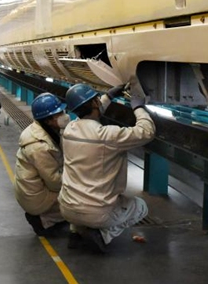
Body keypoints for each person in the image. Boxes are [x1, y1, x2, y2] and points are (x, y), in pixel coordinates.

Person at [58, 77, 155, 253]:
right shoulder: (108, 136)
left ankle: (76, 232)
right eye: (97, 99)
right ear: (95, 103)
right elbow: (146, 132)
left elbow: (90, 112)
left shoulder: (68, 130)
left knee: (80, 197)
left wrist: (108, 96)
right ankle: (103, 235)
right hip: (97, 212)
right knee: (140, 207)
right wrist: (139, 108)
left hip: (66, 208)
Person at [14, 93, 69, 236]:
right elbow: (54, 182)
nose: (64, 115)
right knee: (81, 204)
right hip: (38, 198)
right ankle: (44, 220)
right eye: (59, 113)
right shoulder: (38, 146)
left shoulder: (46, 130)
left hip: (35, 190)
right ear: (49, 120)